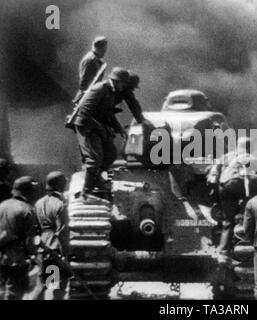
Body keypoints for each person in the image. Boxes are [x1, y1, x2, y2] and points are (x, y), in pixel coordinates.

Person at [73, 67, 130, 197]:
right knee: (94, 160)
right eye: (123, 83)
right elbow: (84, 112)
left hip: (96, 126)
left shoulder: (110, 91)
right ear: (117, 81)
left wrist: (119, 129)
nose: (124, 86)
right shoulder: (100, 89)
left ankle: (97, 179)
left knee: (111, 154)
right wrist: (100, 128)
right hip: (86, 126)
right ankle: (86, 192)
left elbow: (108, 114)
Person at [207, 137, 257, 260]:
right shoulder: (252, 158)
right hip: (240, 185)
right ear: (249, 147)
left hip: (223, 187)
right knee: (248, 215)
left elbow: (212, 176)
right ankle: (247, 238)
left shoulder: (226, 157)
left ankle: (223, 251)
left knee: (228, 221)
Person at [0, 176, 38, 299]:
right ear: (28, 191)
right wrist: (31, 257)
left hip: (2, 256)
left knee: (2, 290)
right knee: (14, 293)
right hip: (17, 258)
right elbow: (30, 239)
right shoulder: (27, 209)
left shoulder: (2, 205)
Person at [35, 171, 69, 300]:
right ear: (61, 185)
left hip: (43, 247)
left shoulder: (38, 203)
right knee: (55, 288)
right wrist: (65, 255)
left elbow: (36, 228)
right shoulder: (60, 205)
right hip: (55, 250)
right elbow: (62, 232)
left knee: (44, 284)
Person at [73, 36, 108, 104]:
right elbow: (84, 84)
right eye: (103, 50)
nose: (105, 52)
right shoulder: (90, 60)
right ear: (97, 47)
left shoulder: (95, 59)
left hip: (90, 96)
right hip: (85, 98)